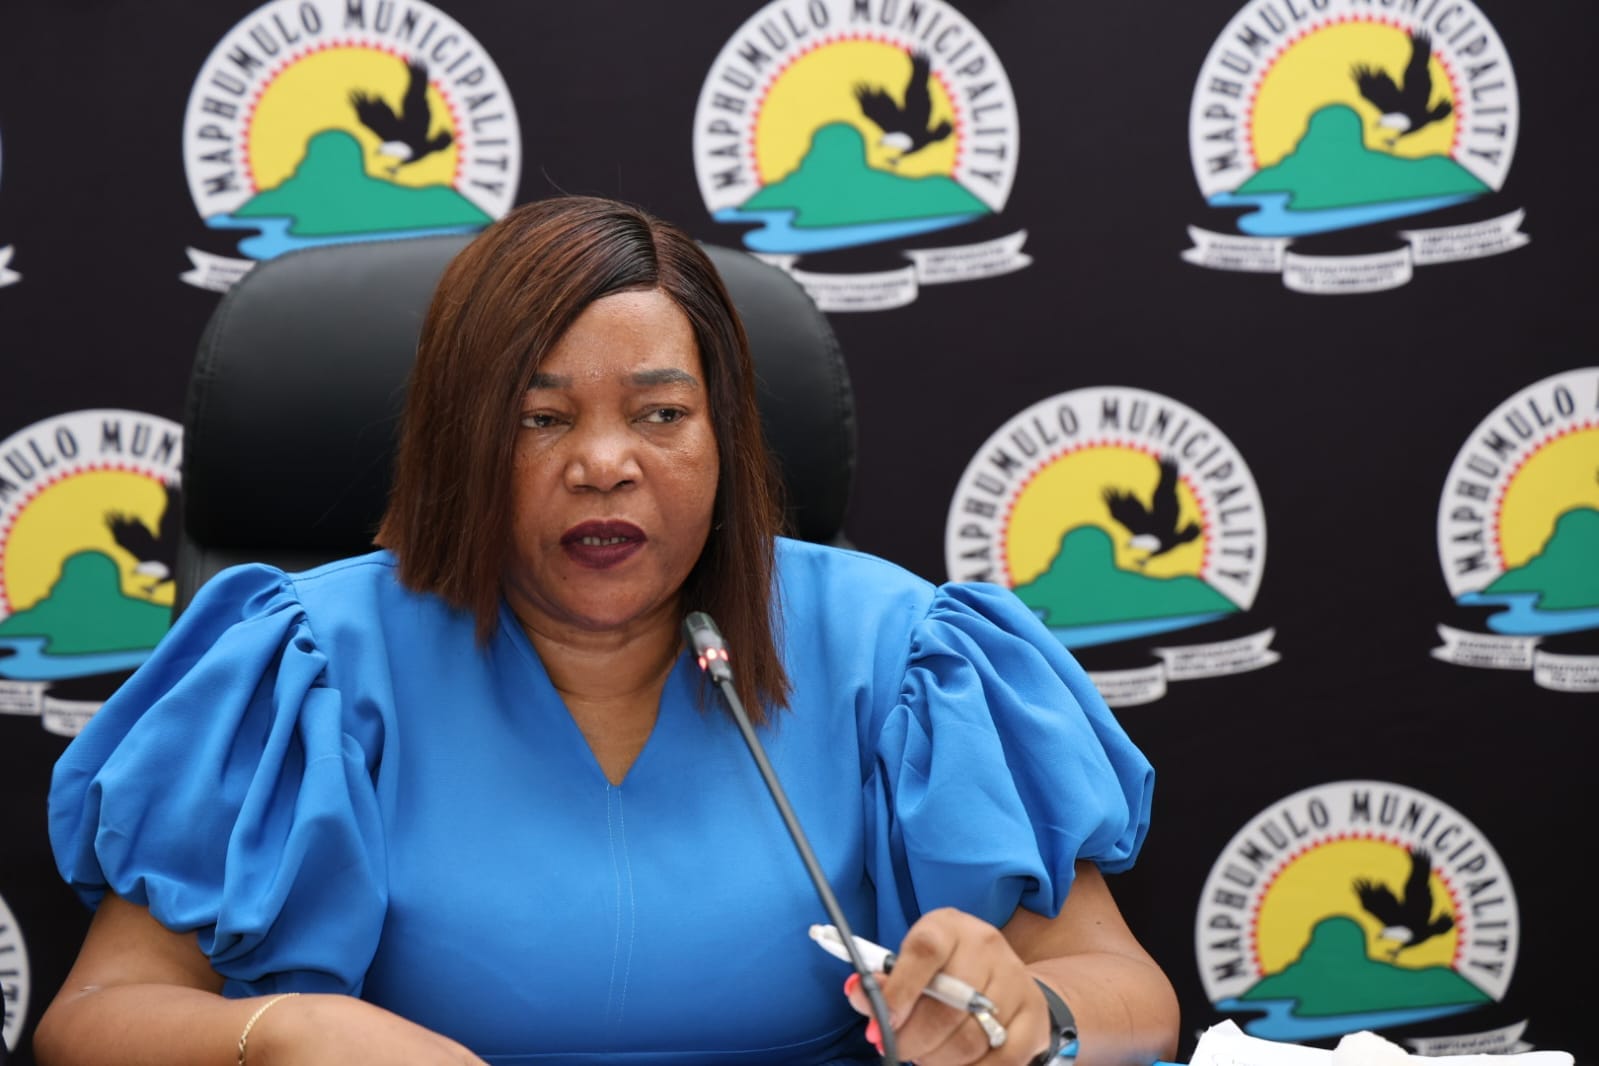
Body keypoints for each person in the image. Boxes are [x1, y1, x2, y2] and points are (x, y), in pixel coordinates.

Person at [34, 195, 1180, 1066]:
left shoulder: (900, 654)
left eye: (660, 413)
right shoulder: (311, 661)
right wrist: (281, 1033)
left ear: (725, 436)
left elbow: (1130, 992)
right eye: (541, 418)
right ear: (463, 443)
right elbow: (93, 1017)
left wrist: (1037, 1012)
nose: (603, 463)